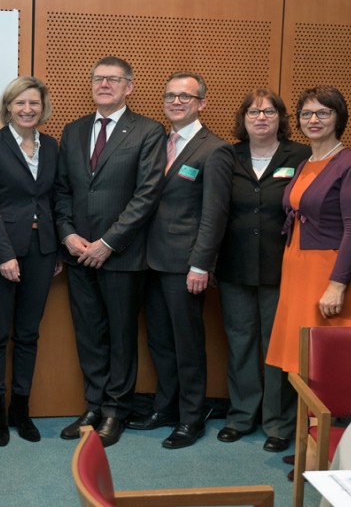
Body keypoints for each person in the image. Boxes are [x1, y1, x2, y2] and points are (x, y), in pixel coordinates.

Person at [55, 56, 165, 447]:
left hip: (122, 255)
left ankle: (116, 409)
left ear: (129, 87)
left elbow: (147, 194)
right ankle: (93, 404)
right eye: (98, 78)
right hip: (78, 252)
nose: (104, 84)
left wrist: (108, 243)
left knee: (120, 335)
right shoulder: (73, 131)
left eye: (113, 79)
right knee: (89, 334)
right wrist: (67, 235)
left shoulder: (149, 131)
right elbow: (62, 190)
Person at [265, 86, 351, 456]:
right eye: (306, 114)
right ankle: (311, 444)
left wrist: (337, 284)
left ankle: (332, 449)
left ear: (338, 118)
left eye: (323, 113)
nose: (313, 120)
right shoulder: (306, 162)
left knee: (329, 366)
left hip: (329, 274)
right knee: (304, 364)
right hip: (298, 271)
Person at [126, 72, 233, 449]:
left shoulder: (214, 149)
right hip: (149, 261)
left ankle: (191, 418)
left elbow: (214, 214)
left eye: (185, 97)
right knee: (159, 341)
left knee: (187, 344)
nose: (176, 102)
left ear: (201, 103)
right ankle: (165, 407)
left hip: (185, 265)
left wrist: (201, 265)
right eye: (170, 95)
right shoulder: (158, 140)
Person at [216, 89, 310, 452]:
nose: (261, 118)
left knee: (277, 346)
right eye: (253, 111)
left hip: (283, 266)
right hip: (234, 264)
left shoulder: (299, 155)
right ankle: (241, 416)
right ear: (243, 118)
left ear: (281, 118)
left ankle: (278, 422)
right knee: (240, 342)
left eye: (269, 111)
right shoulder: (228, 154)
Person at [0, 76, 61, 446]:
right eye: (20, 103)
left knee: (28, 333)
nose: (28, 110)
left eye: (35, 104)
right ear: (8, 106)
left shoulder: (52, 146)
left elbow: (54, 199)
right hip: (1, 254)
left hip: (42, 251)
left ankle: (20, 410)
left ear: (43, 108)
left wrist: (55, 249)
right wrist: (4, 254)